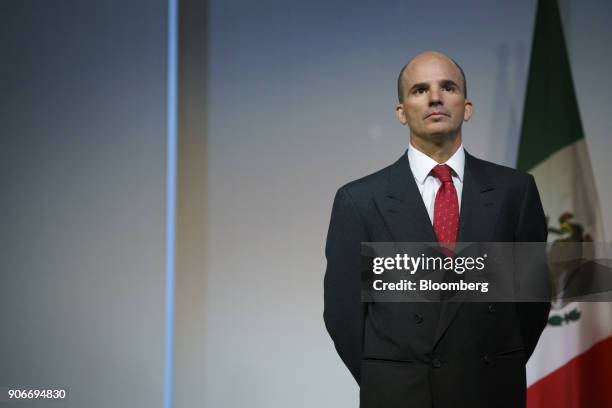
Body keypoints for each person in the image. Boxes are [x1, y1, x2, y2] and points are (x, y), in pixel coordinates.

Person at [323, 51, 550, 408]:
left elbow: (532, 304)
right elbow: (343, 314)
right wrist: (389, 378)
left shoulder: (515, 191)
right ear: (401, 111)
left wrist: (492, 367)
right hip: (400, 394)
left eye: (447, 86)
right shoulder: (359, 200)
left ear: (467, 106)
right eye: (419, 90)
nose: (435, 97)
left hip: (488, 389)